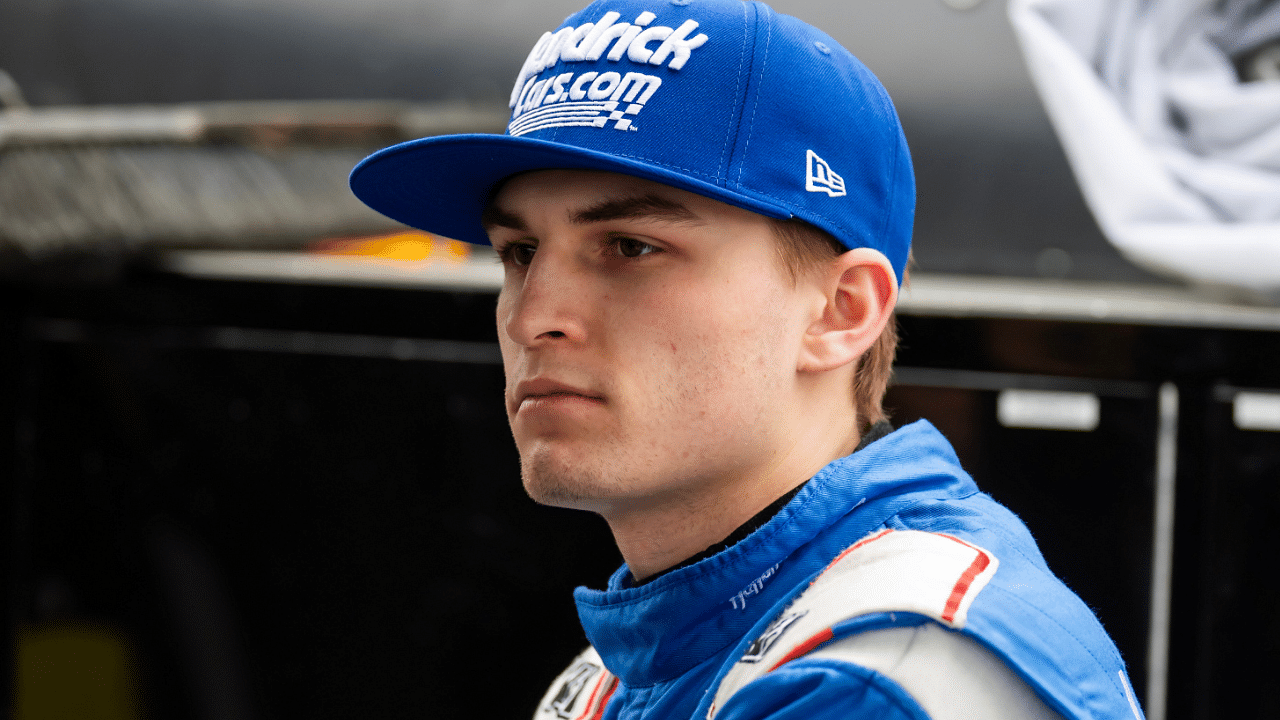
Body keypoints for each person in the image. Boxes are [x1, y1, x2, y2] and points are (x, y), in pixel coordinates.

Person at [350, 1, 1146, 718]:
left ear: (843, 312)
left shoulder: (872, 681)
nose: (532, 318)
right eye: (518, 251)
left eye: (630, 247)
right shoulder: (630, 669)